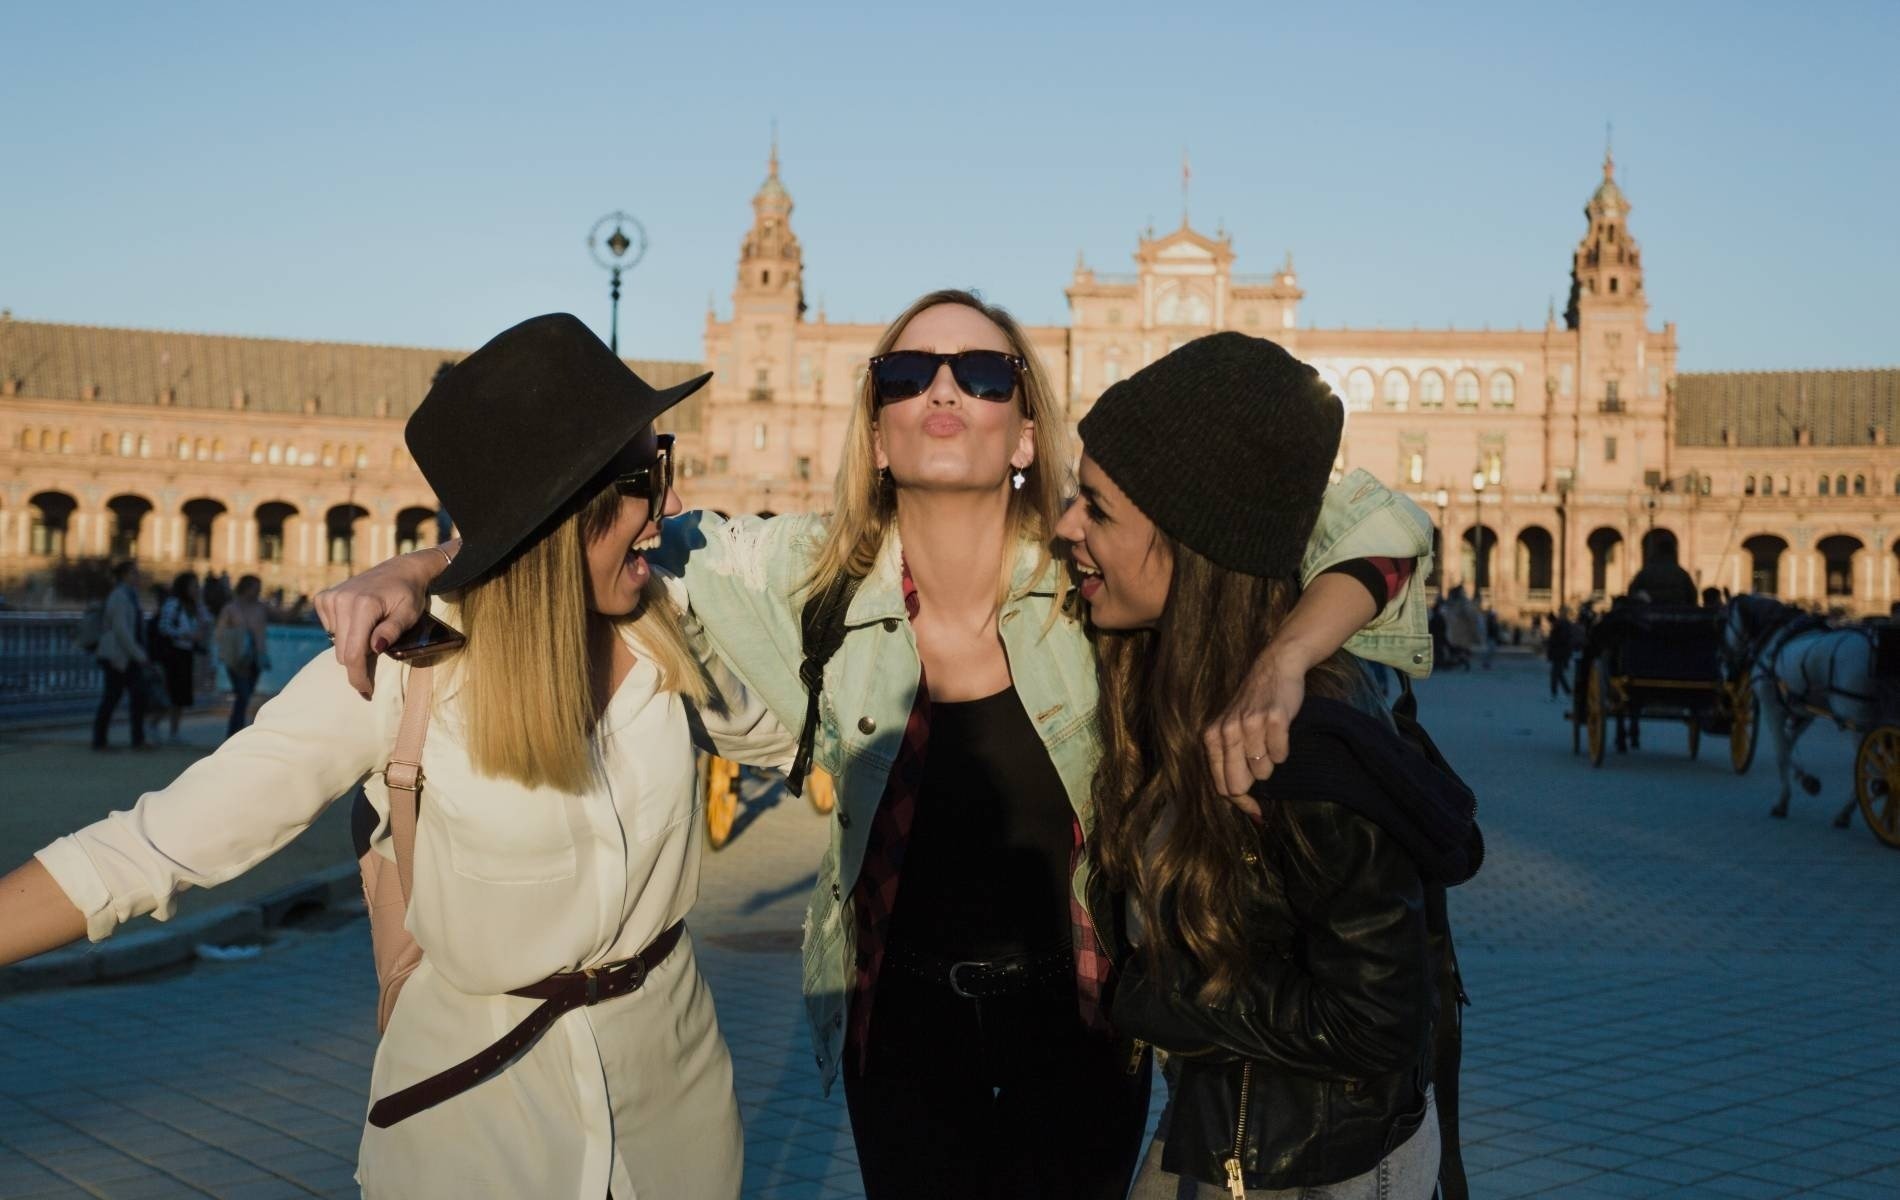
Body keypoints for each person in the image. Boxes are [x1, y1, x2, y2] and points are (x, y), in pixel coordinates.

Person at [318, 290, 1435, 1200]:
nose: (943, 389)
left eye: (982, 373)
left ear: (1027, 427)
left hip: (1092, 1023)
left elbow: (1376, 517)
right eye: (907, 376)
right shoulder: (799, 574)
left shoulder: (1096, 570)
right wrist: (427, 566)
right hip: (897, 1029)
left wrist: (1289, 653)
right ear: (876, 424)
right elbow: (565, 520)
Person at [0, 314, 795, 1199]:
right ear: (567, 505)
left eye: (666, 461)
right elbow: (154, 847)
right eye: (651, 477)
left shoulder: (669, 630)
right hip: (474, 1114)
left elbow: (805, 724)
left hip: (676, 1109)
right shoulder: (398, 669)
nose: (674, 502)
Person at [1056, 332, 1479, 1200]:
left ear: (1193, 543)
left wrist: (1157, 1000)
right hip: (1224, 1144)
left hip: (1314, 1174)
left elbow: (1377, 1024)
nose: (1066, 526)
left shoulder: (1298, 742)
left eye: (1095, 508)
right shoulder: (1169, 674)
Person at [90, 560, 152, 752]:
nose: (138, 577)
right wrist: (139, 654)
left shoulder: (129, 595)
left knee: (134, 696)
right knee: (113, 697)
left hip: (127, 656)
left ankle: (136, 738)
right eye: (134, 573)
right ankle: (101, 740)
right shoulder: (119, 596)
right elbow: (121, 629)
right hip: (118, 656)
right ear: (125, 575)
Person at [213, 574, 272, 737]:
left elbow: (285, 616)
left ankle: (235, 732)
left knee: (244, 695)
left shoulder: (261, 607)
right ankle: (234, 733)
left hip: (255, 657)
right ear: (246, 588)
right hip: (236, 658)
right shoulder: (231, 608)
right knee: (243, 695)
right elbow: (220, 634)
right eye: (255, 588)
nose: (258, 591)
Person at [155, 572, 208, 744]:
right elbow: (164, 627)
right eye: (194, 585)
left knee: (182, 694)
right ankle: (156, 724)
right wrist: (183, 634)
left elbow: (206, 621)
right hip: (173, 653)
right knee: (171, 692)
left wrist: (199, 603)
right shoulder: (173, 604)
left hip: (186, 653)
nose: (197, 589)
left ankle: (174, 730)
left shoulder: (195, 606)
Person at [1626, 541, 1698, 606]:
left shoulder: (1646, 572)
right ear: (1673, 553)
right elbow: (1693, 596)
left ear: (1657, 552)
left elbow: (1632, 592)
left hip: (1650, 615)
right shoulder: (1681, 573)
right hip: (1677, 615)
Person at [1546, 606, 1575, 700]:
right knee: (1558, 674)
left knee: (1556, 674)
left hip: (1560, 653)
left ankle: (1556, 692)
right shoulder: (1562, 624)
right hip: (1559, 653)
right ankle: (1567, 691)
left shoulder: (1564, 624)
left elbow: (1562, 639)